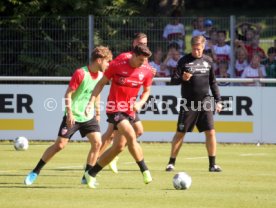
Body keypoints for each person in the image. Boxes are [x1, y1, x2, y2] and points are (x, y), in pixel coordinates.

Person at [24, 46, 113, 185]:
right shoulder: (80, 73)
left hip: (88, 116)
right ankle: (35, 171)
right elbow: (68, 94)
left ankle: (87, 176)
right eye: (108, 61)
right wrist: (69, 114)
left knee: (97, 143)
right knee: (59, 145)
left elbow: (97, 94)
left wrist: (97, 113)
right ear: (100, 60)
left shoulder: (101, 76)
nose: (109, 65)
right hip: (73, 115)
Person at [84, 44, 153, 189]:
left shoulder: (147, 71)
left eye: (145, 61)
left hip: (129, 109)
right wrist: (91, 102)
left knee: (119, 147)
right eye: (141, 60)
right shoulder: (117, 65)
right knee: (131, 135)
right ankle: (145, 170)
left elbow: (147, 91)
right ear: (133, 55)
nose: (143, 63)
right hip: (114, 108)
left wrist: (140, 103)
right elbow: (101, 83)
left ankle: (91, 173)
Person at [99, 32, 155, 174]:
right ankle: (94, 160)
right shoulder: (124, 57)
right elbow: (112, 72)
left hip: (130, 105)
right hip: (117, 104)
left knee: (138, 131)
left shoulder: (144, 59)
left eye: (145, 43)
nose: (143, 45)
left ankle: (113, 154)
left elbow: (144, 78)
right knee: (111, 134)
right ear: (134, 43)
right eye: (141, 42)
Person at [165, 35, 223, 172]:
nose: (196, 51)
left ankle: (212, 165)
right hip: (188, 103)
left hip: (205, 102)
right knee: (180, 133)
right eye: (194, 48)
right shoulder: (184, 61)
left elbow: (213, 83)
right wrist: (183, 79)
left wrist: (218, 101)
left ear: (203, 47)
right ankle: (171, 163)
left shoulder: (208, 61)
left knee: (210, 132)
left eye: (199, 48)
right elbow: (173, 80)